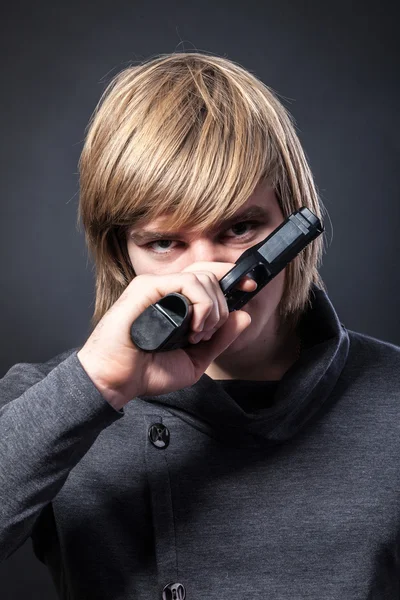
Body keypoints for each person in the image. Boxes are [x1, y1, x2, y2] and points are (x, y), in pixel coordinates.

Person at [1, 51, 399, 600]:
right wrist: (98, 386)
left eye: (240, 228)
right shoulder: (46, 405)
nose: (207, 276)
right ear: (122, 254)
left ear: (296, 228)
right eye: (165, 242)